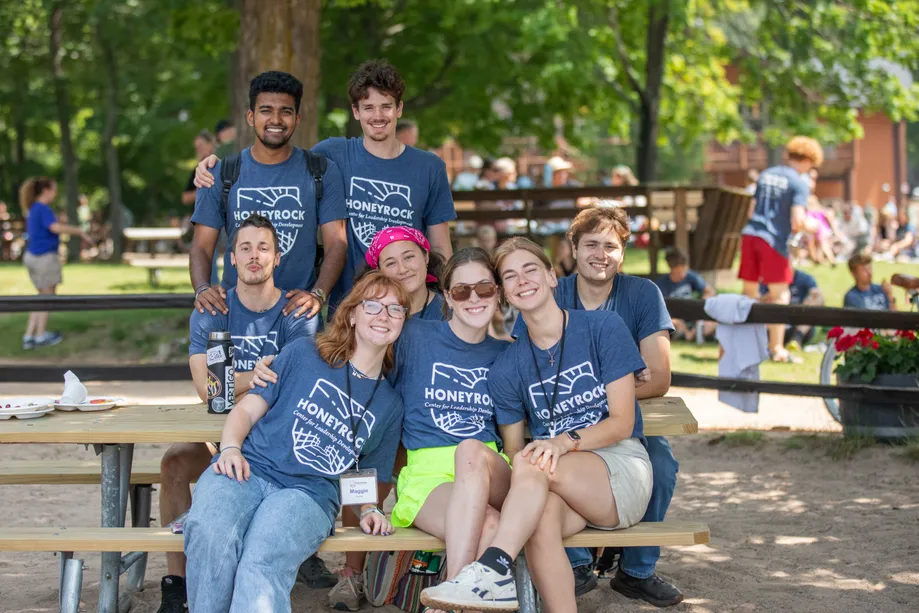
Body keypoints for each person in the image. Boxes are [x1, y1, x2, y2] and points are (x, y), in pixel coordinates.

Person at [420, 237, 651, 613]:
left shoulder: (602, 328)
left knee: (533, 461)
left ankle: (493, 567)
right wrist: (544, 455)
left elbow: (622, 423)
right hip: (551, 478)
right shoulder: (508, 366)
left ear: (551, 276)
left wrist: (563, 441)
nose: (522, 279)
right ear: (505, 294)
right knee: (537, 515)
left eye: (530, 269)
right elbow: (513, 452)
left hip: (618, 471)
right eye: (510, 276)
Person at [184, 270, 407, 613]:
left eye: (395, 310)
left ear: (402, 322)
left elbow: (367, 474)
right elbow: (245, 412)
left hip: (309, 494)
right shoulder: (304, 353)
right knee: (210, 534)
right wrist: (229, 447)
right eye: (373, 305)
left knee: (262, 559)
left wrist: (367, 510)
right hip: (249, 468)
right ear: (351, 314)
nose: (384, 316)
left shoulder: (389, 404)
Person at [512, 206, 680, 607]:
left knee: (661, 463)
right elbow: (528, 367)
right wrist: (618, 379)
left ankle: (636, 571)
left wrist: (591, 390)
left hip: (622, 421)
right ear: (573, 247)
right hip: (558, 417)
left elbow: (658, 377)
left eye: (611, 246)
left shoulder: (641, 295)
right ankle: (576, 565)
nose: (600, 254)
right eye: (590, 244)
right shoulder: (552, 292)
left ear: (623, 252)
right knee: (545, 462)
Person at [331, 248, 514, 611]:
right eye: (461, 290)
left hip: (490, 466)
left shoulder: (507, 353)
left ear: (498, 293)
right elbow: (358, 357)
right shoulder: (414, 335)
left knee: (471, 451)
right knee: (489, 525)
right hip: (427, 476)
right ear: (447, 296)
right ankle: (457, 598)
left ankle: (448, 596)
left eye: (484, 289)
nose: (473, 298)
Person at [157, 215, 321, 613]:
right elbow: (208, 390)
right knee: (174, 462)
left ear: (277, 258)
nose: (254, 256)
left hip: (273, 437)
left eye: (263, 248)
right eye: (245, 248)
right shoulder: (214, 307)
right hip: (218, 430)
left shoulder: (297, 312)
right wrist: (261, 374)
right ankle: (175, 584)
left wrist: (234, 379)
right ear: (231, 258)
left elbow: (292, 385)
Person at [195, 60, 456, 311]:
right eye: (368, 107)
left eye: (386, 106)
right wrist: (212, 166)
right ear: (356, 111)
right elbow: (278, 157)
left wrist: (442, 301)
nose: (378, 116)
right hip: (348, 308)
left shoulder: (429, 167)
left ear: (399, 109)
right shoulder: (333, 154)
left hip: (409, 302)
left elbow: (441, 247)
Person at [189, 71, 349, 324]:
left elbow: (337, 243)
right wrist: (202, 288)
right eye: (266, 110)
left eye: (285, 111)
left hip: (298, 316)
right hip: (235, 314)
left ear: (297, 119)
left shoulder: (321, 172)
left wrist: (318, 295)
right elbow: (200, 246)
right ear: (251, 117)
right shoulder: (222, 174)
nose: (276, 119)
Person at [739, 136, 823, 363]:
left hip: (750, 235)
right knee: (780, 295)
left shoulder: (767, 174)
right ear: (807, 160)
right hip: (773, 241)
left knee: (749, 294)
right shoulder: (799, 183)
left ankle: (746, 345)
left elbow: (751, 210)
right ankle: (776, 348)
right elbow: (798, 221)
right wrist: (813, 226)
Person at [19, 177, 92, 350]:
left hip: (32, 256)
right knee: (47, 298)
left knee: (40, 298)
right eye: (53, 190)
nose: (55, 194)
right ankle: (40, 336)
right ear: (46, 191)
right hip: (44, 258)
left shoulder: (33, 209)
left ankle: (30, 335)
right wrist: (79, 231)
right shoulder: (43, 209)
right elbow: (55, 228)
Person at [363, 226, 446, 320]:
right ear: (380, 271)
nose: (402, 270)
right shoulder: (370, 314)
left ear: (426, 257)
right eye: (391, 263)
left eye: (408, 257)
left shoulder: (451, 311)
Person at [656, 247, 717, 341]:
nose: (683, 275)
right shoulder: (662, 284)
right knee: (670, 322)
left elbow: (710, 291)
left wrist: (700, 307)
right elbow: (658, 308)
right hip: (675, 319)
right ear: (671, 269)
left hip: (693, 316)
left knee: (714, 323)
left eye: (684, 270)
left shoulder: (690, 276)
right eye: (679, 272)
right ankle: (686, 334)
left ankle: (692, 334)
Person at [759, 268, 823, 351]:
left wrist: (809, 302)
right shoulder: (767, 279)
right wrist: (768, 298)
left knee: (816, 300)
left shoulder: (805, 278)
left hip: (799, 324)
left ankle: (797, 338)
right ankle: (776, 344)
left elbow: (819, 297)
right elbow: (756, 299)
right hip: (773, 326)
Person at [182, 130, 218, 206]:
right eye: (196, 148)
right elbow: (185, 198)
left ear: (210, 144)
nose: (198, 150)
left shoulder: (220, 165)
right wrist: (205, 190)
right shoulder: (197, 170)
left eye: (201, 146)